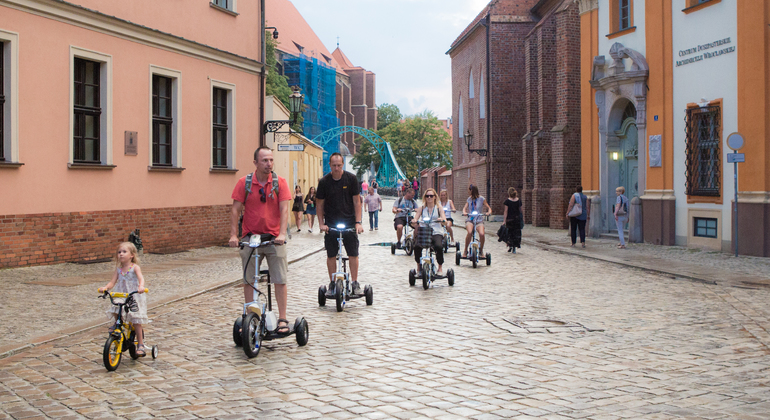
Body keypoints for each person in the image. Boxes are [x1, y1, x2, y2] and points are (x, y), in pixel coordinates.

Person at [229, 147, 291, 333]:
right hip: (251, 237)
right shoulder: (244, 183)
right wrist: (234, 235)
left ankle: (282, 318)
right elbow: (235, 210)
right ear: (255, 162)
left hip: (273, 238)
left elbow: (284, 210)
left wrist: (281, 234)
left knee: (280, 277)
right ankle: (251, 315)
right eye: (264, 160)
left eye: (271, 160)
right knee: (249, 279)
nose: (268, 164)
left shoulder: (280, 183)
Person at [317, 153, 365, 294]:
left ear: (342, 164)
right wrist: (321, 224)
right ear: (330, 165)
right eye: (334, 165)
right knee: (331, 254)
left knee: (353, 253)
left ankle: (355, 282)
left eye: (339, 165)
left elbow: (357, 202)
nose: (336, 168)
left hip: (349, 222)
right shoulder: (324, 182)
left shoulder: (351, 179)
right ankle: (332, 282)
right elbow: (319, 204)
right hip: (331, 223)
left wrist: (358, 222)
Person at [99, 242, 149, 356]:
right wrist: (106, 287)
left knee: (136, 320)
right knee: (116, 308)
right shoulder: (118, 269)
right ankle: (117, 324)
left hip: (133, 296)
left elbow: (141, 278)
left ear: (132, 255)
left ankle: (140, 344)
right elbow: (112, 282)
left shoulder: (135, 267)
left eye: (124, 252)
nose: (121, 254)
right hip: (121, 294)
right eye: (119, 252)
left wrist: (141, 286)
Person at [410, 188, 447, 275]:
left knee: (439, 246)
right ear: (425, 197)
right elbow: (416, 218)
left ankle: (440, 267)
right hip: (424, 232)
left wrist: (442, 220)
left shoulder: (439, 208)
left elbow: (444, 220)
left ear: (435, 197)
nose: (429, 197)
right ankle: (419, 267)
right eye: (427, 196)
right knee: (416, 246)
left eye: (431, 196)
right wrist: (414, 221)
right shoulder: (422, 208)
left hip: (436, 232)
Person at [462, 184, 492, 257]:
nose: (468, 192)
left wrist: (489, 212)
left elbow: (488, 207)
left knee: (482, 234)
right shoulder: (469, 199)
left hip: (479, 220)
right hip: (470, 219)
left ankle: (481, 250)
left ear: (472, 190)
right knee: (469, 232)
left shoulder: (481, 199)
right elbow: (464, 207)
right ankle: (465, 250)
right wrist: (464, 212)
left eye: (469, 190)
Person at [502, 187, 523, 253]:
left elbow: (506, 211)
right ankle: (515, 246)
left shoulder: (507, 201)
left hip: (510, 219)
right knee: (516, 233)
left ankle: (510, 245)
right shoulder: (519, 201)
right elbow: (521, 210)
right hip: (517, 219)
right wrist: (522, 218)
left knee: (510, 233)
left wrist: (504, 220)